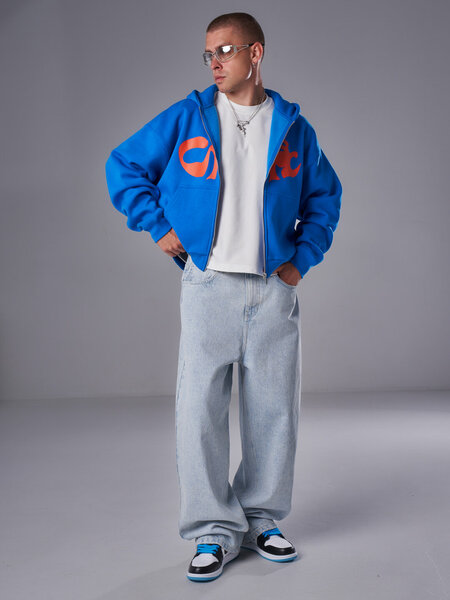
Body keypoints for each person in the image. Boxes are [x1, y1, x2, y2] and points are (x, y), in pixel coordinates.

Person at [105, 12, 342, 583]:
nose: (214, 62)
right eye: (208, 53)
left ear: (255, 53)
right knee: (199, 412)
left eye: (226, 50)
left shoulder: (292, 127)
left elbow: (326, 196)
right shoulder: (189, 116)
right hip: (208, 285)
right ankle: (212, 529)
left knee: (274, 411)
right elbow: (124, 164)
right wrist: (158, 227)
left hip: (272, 288)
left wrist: (300, 263)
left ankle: (261, 518)